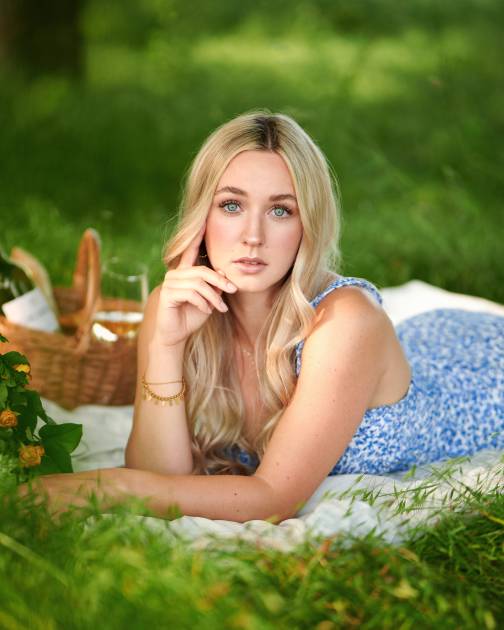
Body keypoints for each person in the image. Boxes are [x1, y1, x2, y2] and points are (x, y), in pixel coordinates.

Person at [18, 109, 504, 523]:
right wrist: (165, 346)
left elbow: (273, 497)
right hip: (418, 346)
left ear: (308, 223)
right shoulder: (175, 307)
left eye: (280, 211)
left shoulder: (344, 323)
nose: (253, 236)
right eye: (231, 205)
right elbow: (162, 478)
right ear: (202, 217)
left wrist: (111, 487)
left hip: (481, 369)